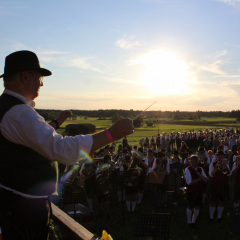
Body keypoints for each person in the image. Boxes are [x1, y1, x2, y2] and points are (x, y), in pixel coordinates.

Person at [0, 50, 134, 240]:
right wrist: (110, 134)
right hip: (25, 210)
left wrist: (56, 123)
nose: (42, 83)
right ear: (24, 77)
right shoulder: (18, 112)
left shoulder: (8, 108)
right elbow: (61, 149)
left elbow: (32, 138)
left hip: (14, 204)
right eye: (39, 77)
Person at [184, 155, 208, 228]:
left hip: (199, 190)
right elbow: (190, 182)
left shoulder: (200, 169)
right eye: (194, 161)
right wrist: (200, 178)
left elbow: (206, 180)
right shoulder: (187, 169)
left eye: (197, 161)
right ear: (191, 162)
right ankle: (189, 221)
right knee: (191, 206)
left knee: (197, 206)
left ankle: (193, 221)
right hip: (191, 191)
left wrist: (199, 176)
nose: (196, 163)